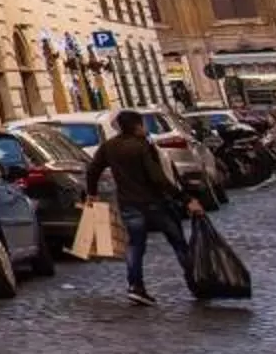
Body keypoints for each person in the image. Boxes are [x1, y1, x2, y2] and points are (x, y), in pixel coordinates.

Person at [85, 110, 201, 306]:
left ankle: (135, 286)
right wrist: (185, 198)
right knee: (177, 241)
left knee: (135, 245)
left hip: (129, 203)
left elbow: (93, 169)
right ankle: (195, 280)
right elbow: (157, 178)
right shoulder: (141, 146)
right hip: (154, 203)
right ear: (137, 126)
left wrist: (92, 193)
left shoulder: (109, 147)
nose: (145, 128)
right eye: (143, 124)